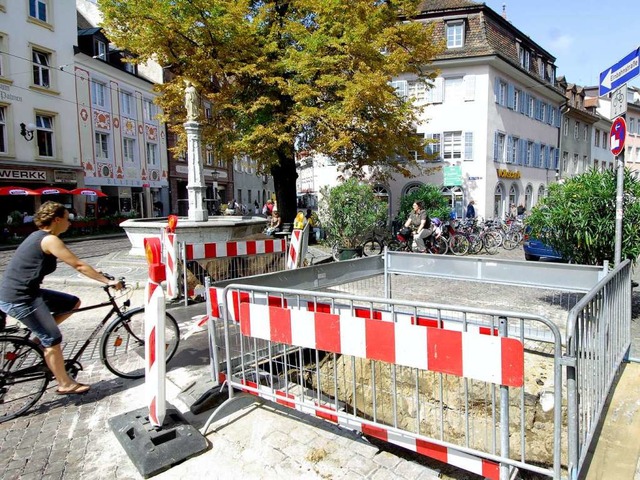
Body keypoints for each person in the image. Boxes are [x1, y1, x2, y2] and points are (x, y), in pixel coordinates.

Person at [0, 202, 122, 395]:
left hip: (25, 292)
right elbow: (78, 265)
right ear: (57, 219)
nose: (70, 223)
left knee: (71, 303)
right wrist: (106, 281)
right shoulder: (49, 240)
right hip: (20, 297)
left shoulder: (37, 236)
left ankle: (39, 337)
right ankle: (65, 383)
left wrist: (96, 273)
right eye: (67, 218)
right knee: (52, 338)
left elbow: (77, 264)